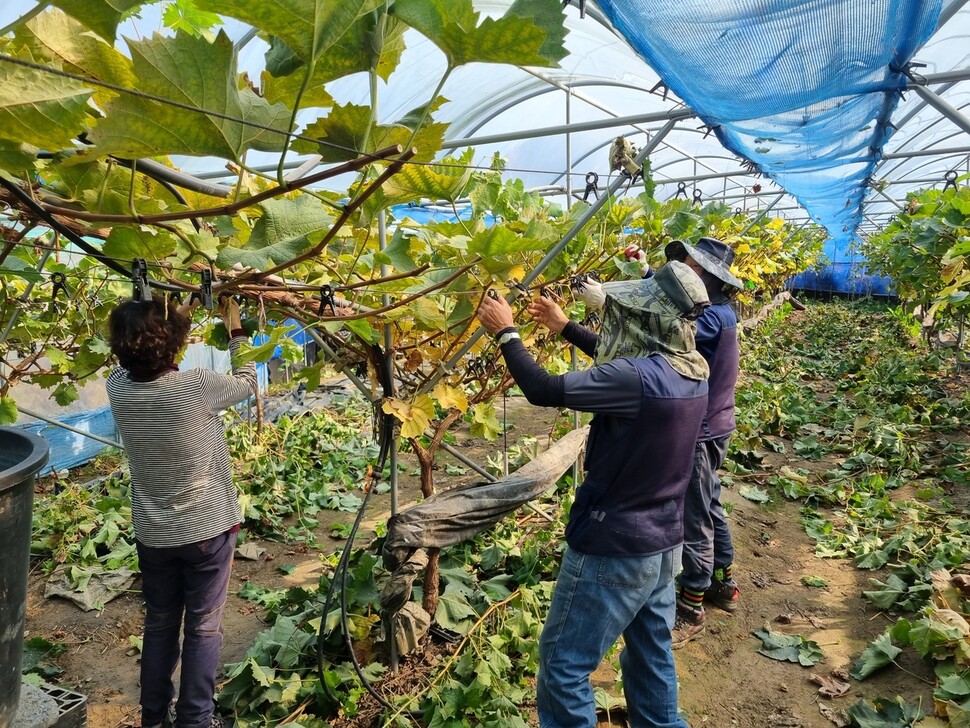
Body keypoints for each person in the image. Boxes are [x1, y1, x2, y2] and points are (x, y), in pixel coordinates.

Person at [478, 261, 710, 728]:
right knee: (651, 655)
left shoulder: (638, 380)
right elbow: (619, 362)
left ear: (647, 317)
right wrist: (565, 327)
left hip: (614, 546)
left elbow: (543, 390)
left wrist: (508, 335)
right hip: (664, 543)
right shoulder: (692, 369)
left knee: (565, 666)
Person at [106, 294, 257, 728]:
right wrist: (236, 331)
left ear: (120, 347)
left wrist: (180, 315)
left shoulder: (117, 387)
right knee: (204, 626)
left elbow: (147, 351)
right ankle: (195, 719)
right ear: (174, 344)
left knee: (159, 623)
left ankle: (153, 718)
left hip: (154, 533)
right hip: (208, 528)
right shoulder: (197, 387)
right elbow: (248, 380)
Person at [663, 238, 742, 648]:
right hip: (716, 423)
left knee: (695, 514)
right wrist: (645, 271)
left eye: (689, 265)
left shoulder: (711, 318)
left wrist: (607, 302)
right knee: (709, 503)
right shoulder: (721, 312)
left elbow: (670, 326)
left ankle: (692, 608)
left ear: (707, 275)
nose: (682, 270)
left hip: (702, 428)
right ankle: (722, 584)